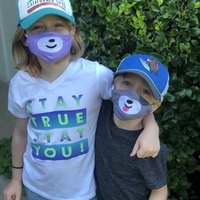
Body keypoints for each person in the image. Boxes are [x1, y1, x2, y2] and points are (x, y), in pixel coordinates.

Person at [3, 1, 160, 200]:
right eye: (37, 27)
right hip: (36, 188)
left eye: (58, 25)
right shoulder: (21, 83)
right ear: (25, 38)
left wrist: (151, 127)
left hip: (82, 193)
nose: (49, 33)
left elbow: (129, 101)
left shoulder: (96, 75)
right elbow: (20, 134)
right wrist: (16, 179)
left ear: (72, 31)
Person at [95, 54, 169, 200]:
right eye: (127, 83)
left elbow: (159, 190)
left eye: (145, 91)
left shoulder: (148, 149)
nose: (132, 94)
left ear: (155, 107)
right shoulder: (101, 109)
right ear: (114, 84)